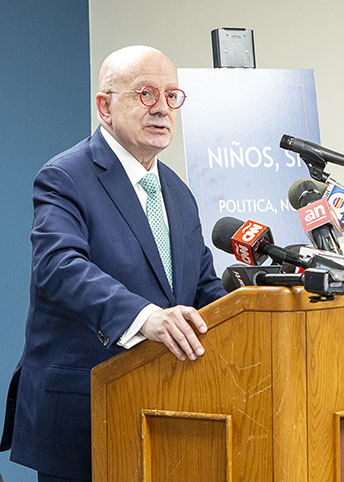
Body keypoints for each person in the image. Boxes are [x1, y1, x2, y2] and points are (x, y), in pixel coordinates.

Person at [0, 45, 226, 482]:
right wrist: (146, 318)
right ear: (105, 106)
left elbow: (203, 287)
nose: (162, 109)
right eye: (146, 94)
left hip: (168, 417)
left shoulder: (177, 193)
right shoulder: (66, 176)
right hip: (86, 413)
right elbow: (59, 265)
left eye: (172, 96)